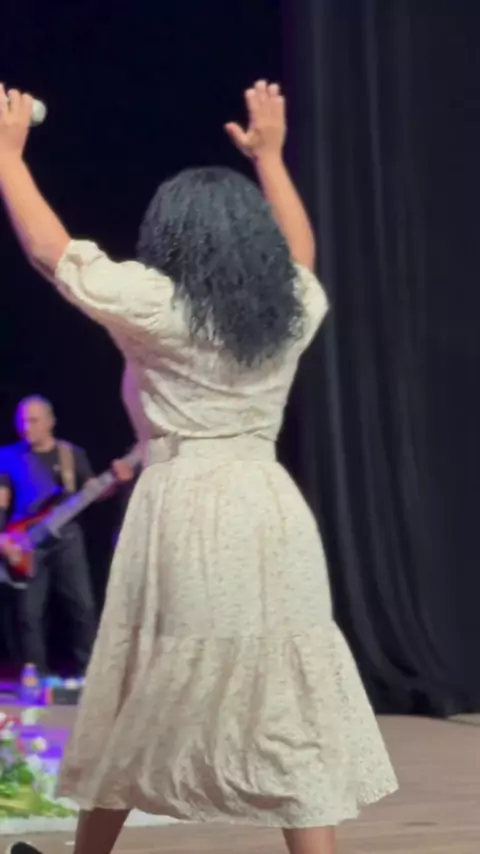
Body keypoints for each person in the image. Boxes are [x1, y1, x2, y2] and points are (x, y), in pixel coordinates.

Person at [0, 80, 397, 854]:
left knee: (146, 682)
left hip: (185, 505)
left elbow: (54, 254)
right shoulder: (287, 309)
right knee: (285, 691)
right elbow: (303, 256)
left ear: (172, 237)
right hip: (269, 507)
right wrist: (272, 160)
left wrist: (9, 157)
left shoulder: (162, 308)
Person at [0, 395, 97, 676]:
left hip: (68, 539)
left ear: (50, 422)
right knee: (29, 614)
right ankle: (35, 676)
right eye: (21, 421)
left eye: (33, 421)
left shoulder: (71, 454)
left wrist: (113, 483)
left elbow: (94, 490)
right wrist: (3, 540)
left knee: (83, 607)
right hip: (26, 542)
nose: (25, 427)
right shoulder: (7, 456)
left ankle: (88, 675)